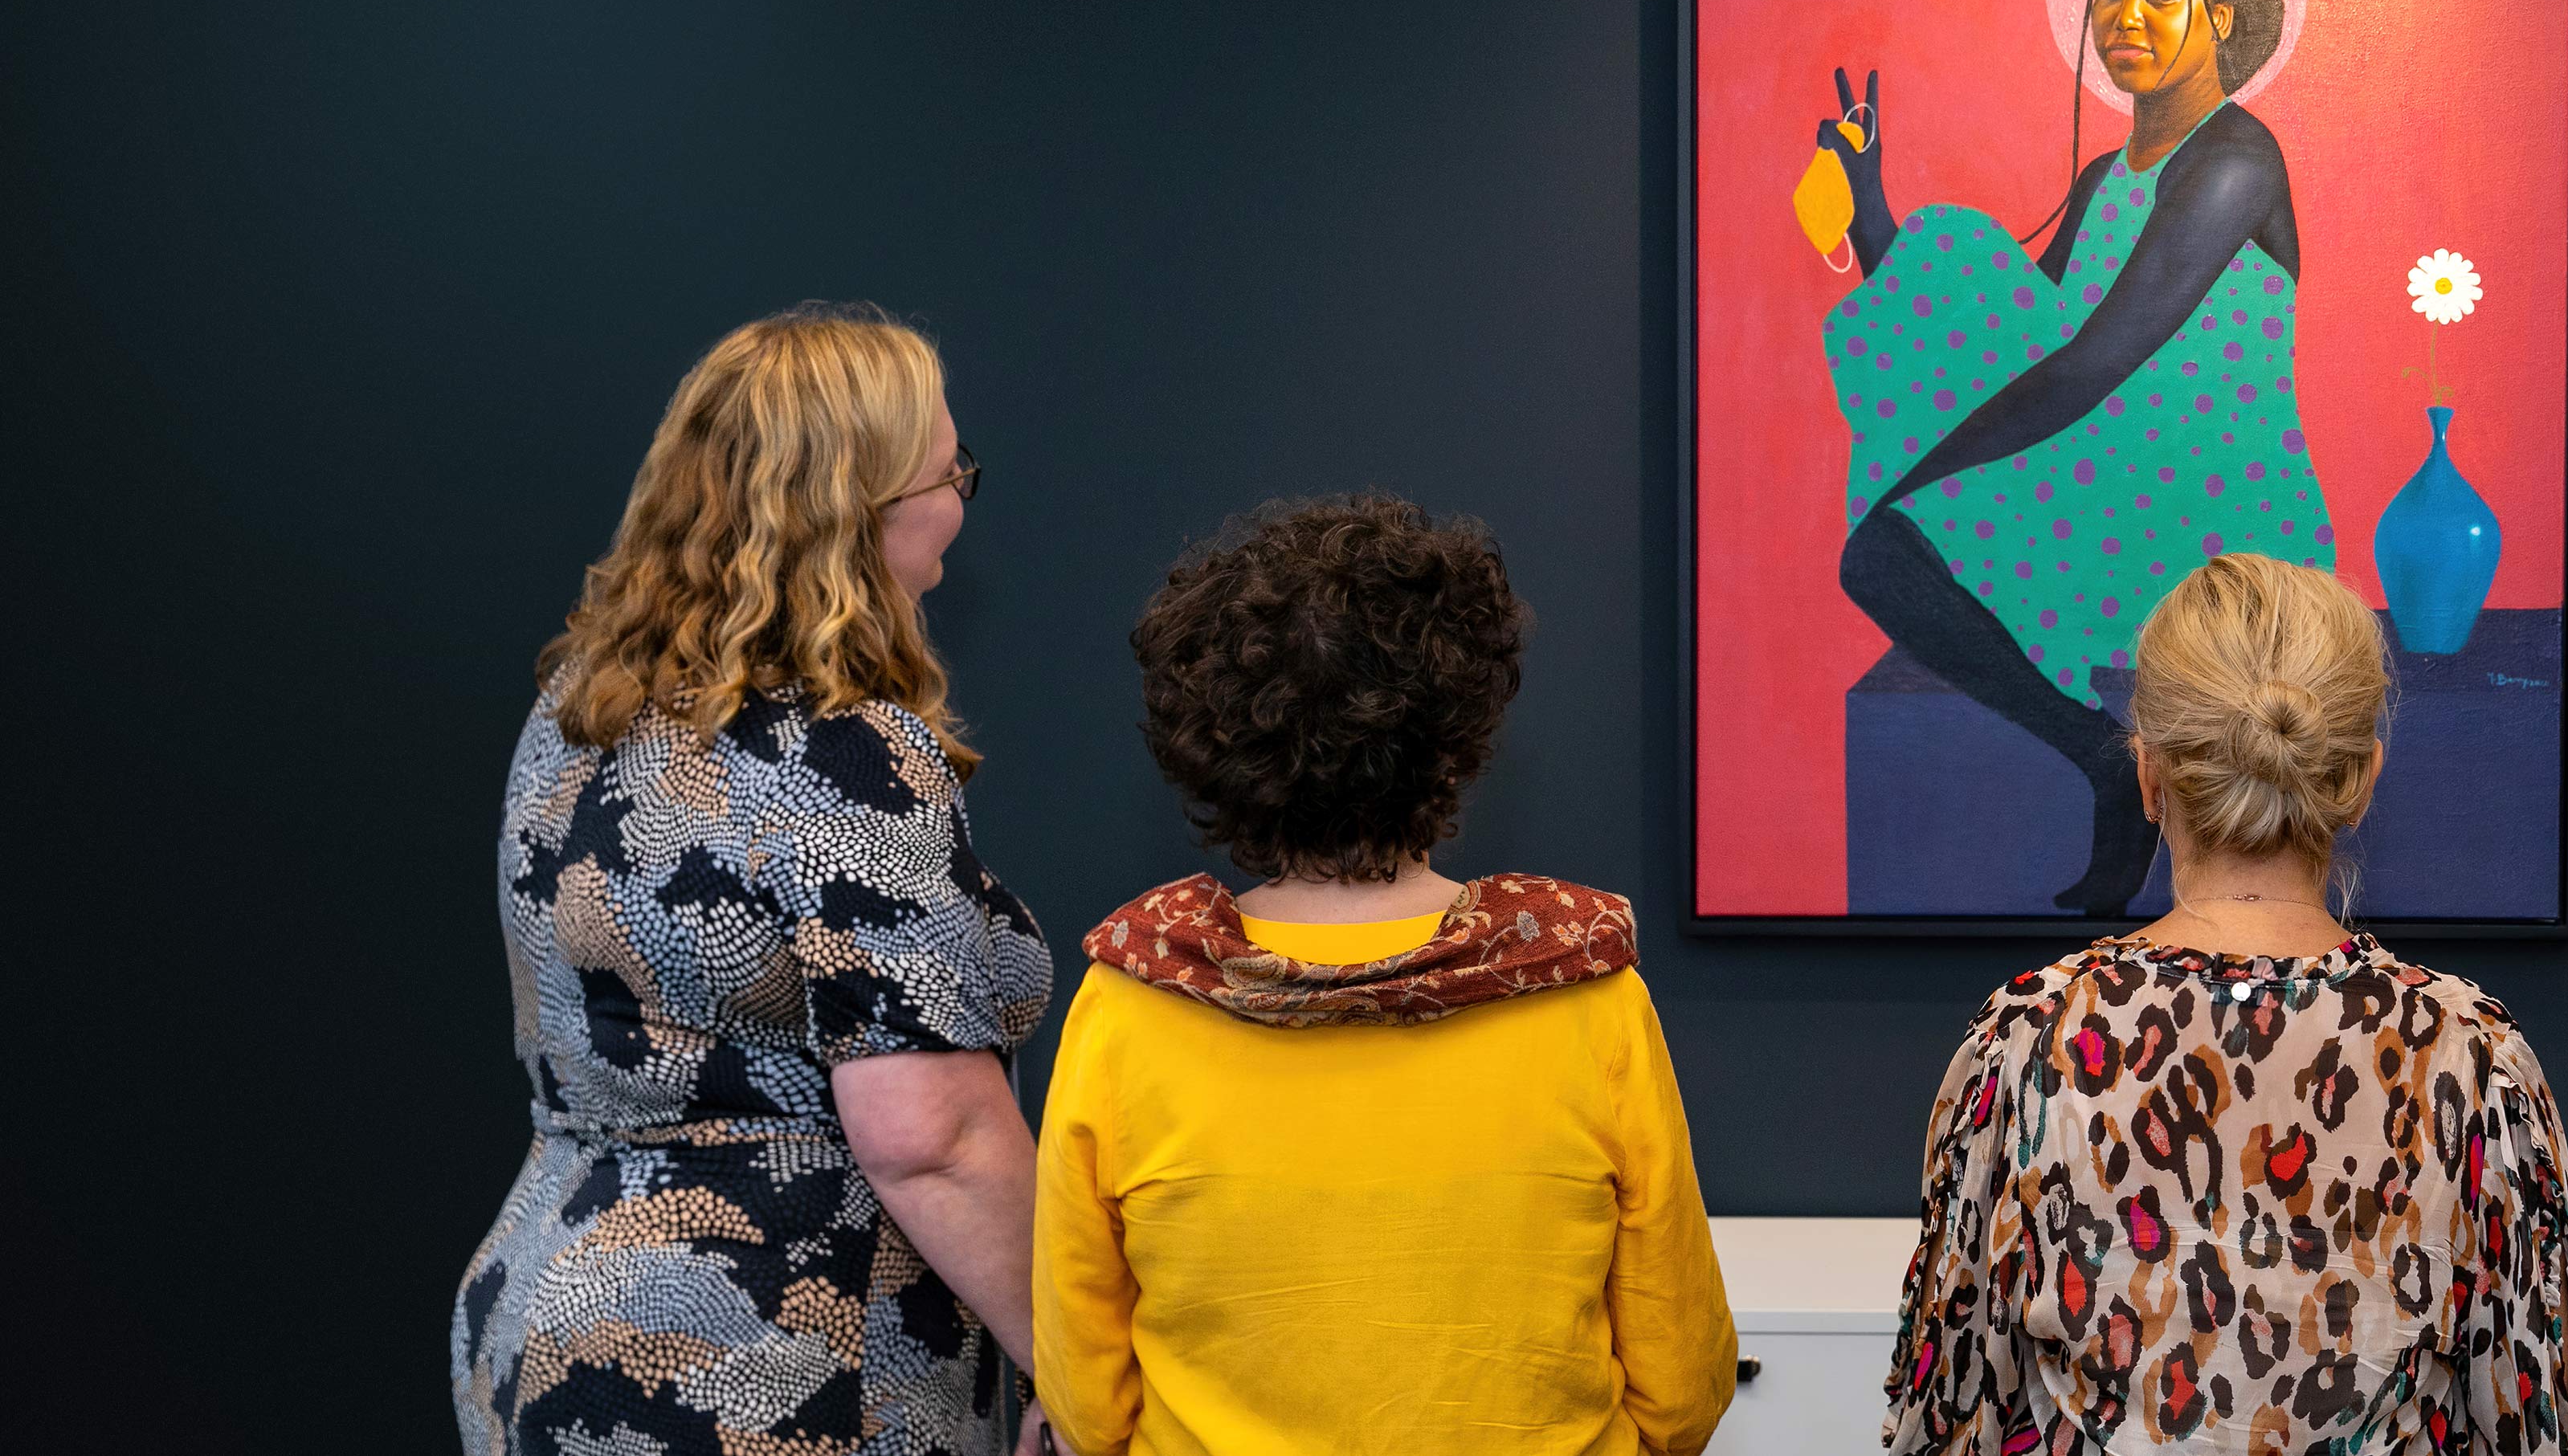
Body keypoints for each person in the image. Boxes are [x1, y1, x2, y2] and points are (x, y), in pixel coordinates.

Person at [453, 304, 1055, 1454]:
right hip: (766, 1369)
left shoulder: (578, 708)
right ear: (853, 518)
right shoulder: (845, 749)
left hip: (540, 1318)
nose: (960, 505)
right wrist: (1089, 1374)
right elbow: (931, 1132)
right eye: (947, 473)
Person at [1034, 494, 1739, 1456]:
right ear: (1454, 736)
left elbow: (1085, 1401)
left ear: (1212, 748)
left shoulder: (1130, 998)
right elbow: (1681, 1386)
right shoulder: (1581, 988)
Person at [1886, 553, 2568, 1454]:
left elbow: (1945, 1424)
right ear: (2363, 778)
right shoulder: (2471, 1060)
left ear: (2146, 777)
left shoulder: (2027, 1044)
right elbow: (2535, 1429)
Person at [1819, 0, 2333, 914]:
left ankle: (2118, 773)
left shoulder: (2236, 159)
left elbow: (2095, 358)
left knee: (1888, 531)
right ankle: (2107, 759)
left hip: (2205, 491)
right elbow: (2008, 331)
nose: (2125, 16)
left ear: (2221, 19)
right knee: (1883, 542)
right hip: (2104, 468)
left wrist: (1937, 469)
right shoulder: (2105, 174)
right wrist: (1868, 202)